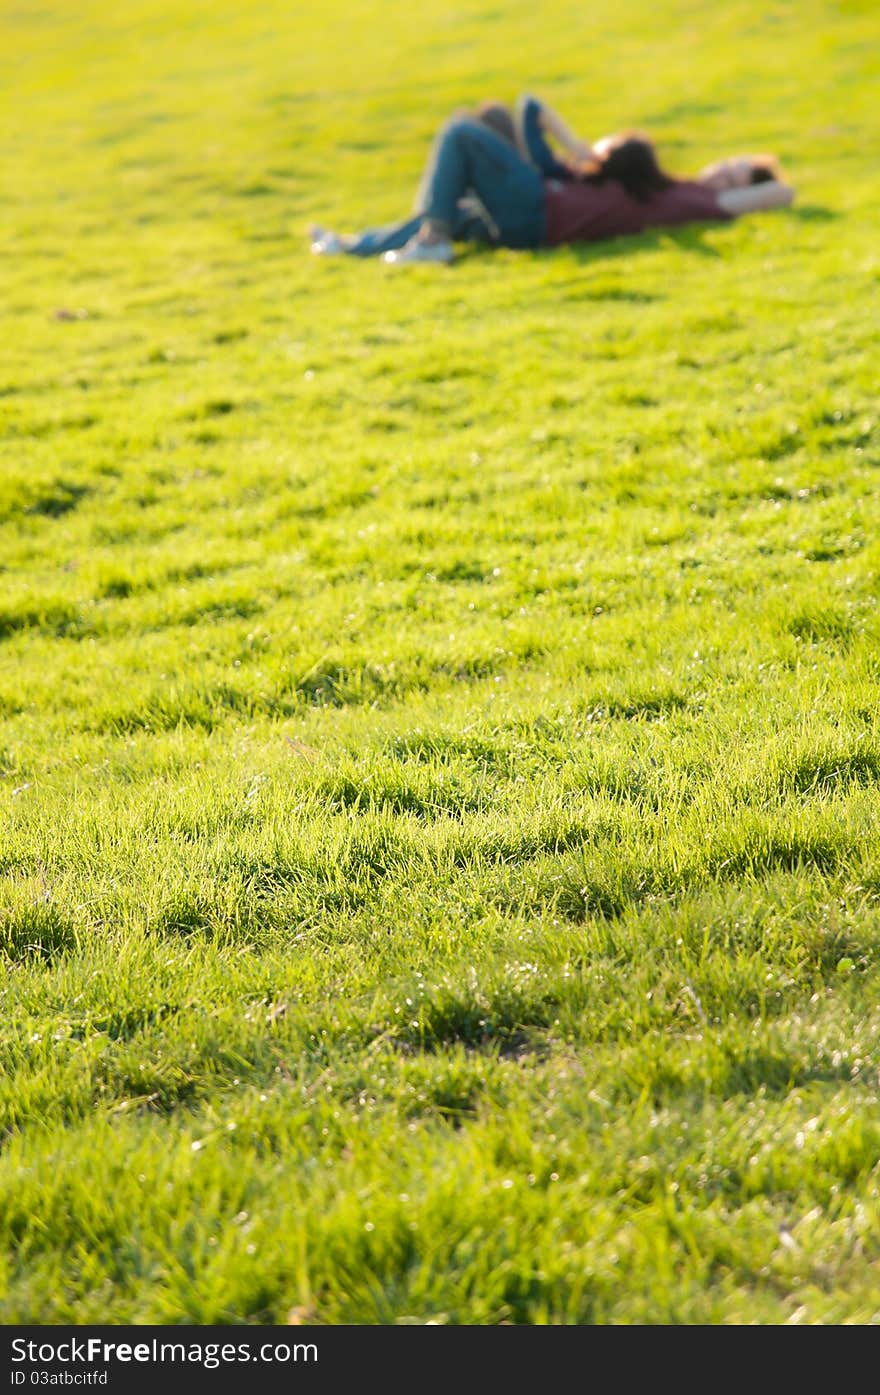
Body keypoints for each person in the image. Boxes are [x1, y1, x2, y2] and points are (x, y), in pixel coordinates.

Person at [309, 95, 794, 264]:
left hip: (539, 211)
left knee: (461, 133)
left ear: (738, 190)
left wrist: (750, 187)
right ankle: (352, 245)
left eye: (731, 173)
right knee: (488, 129)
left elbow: (783, 191)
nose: (718, 170)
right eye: (726, 162)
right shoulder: (670, 185)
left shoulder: (688, 203)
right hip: (539, 204)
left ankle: (433, 240)